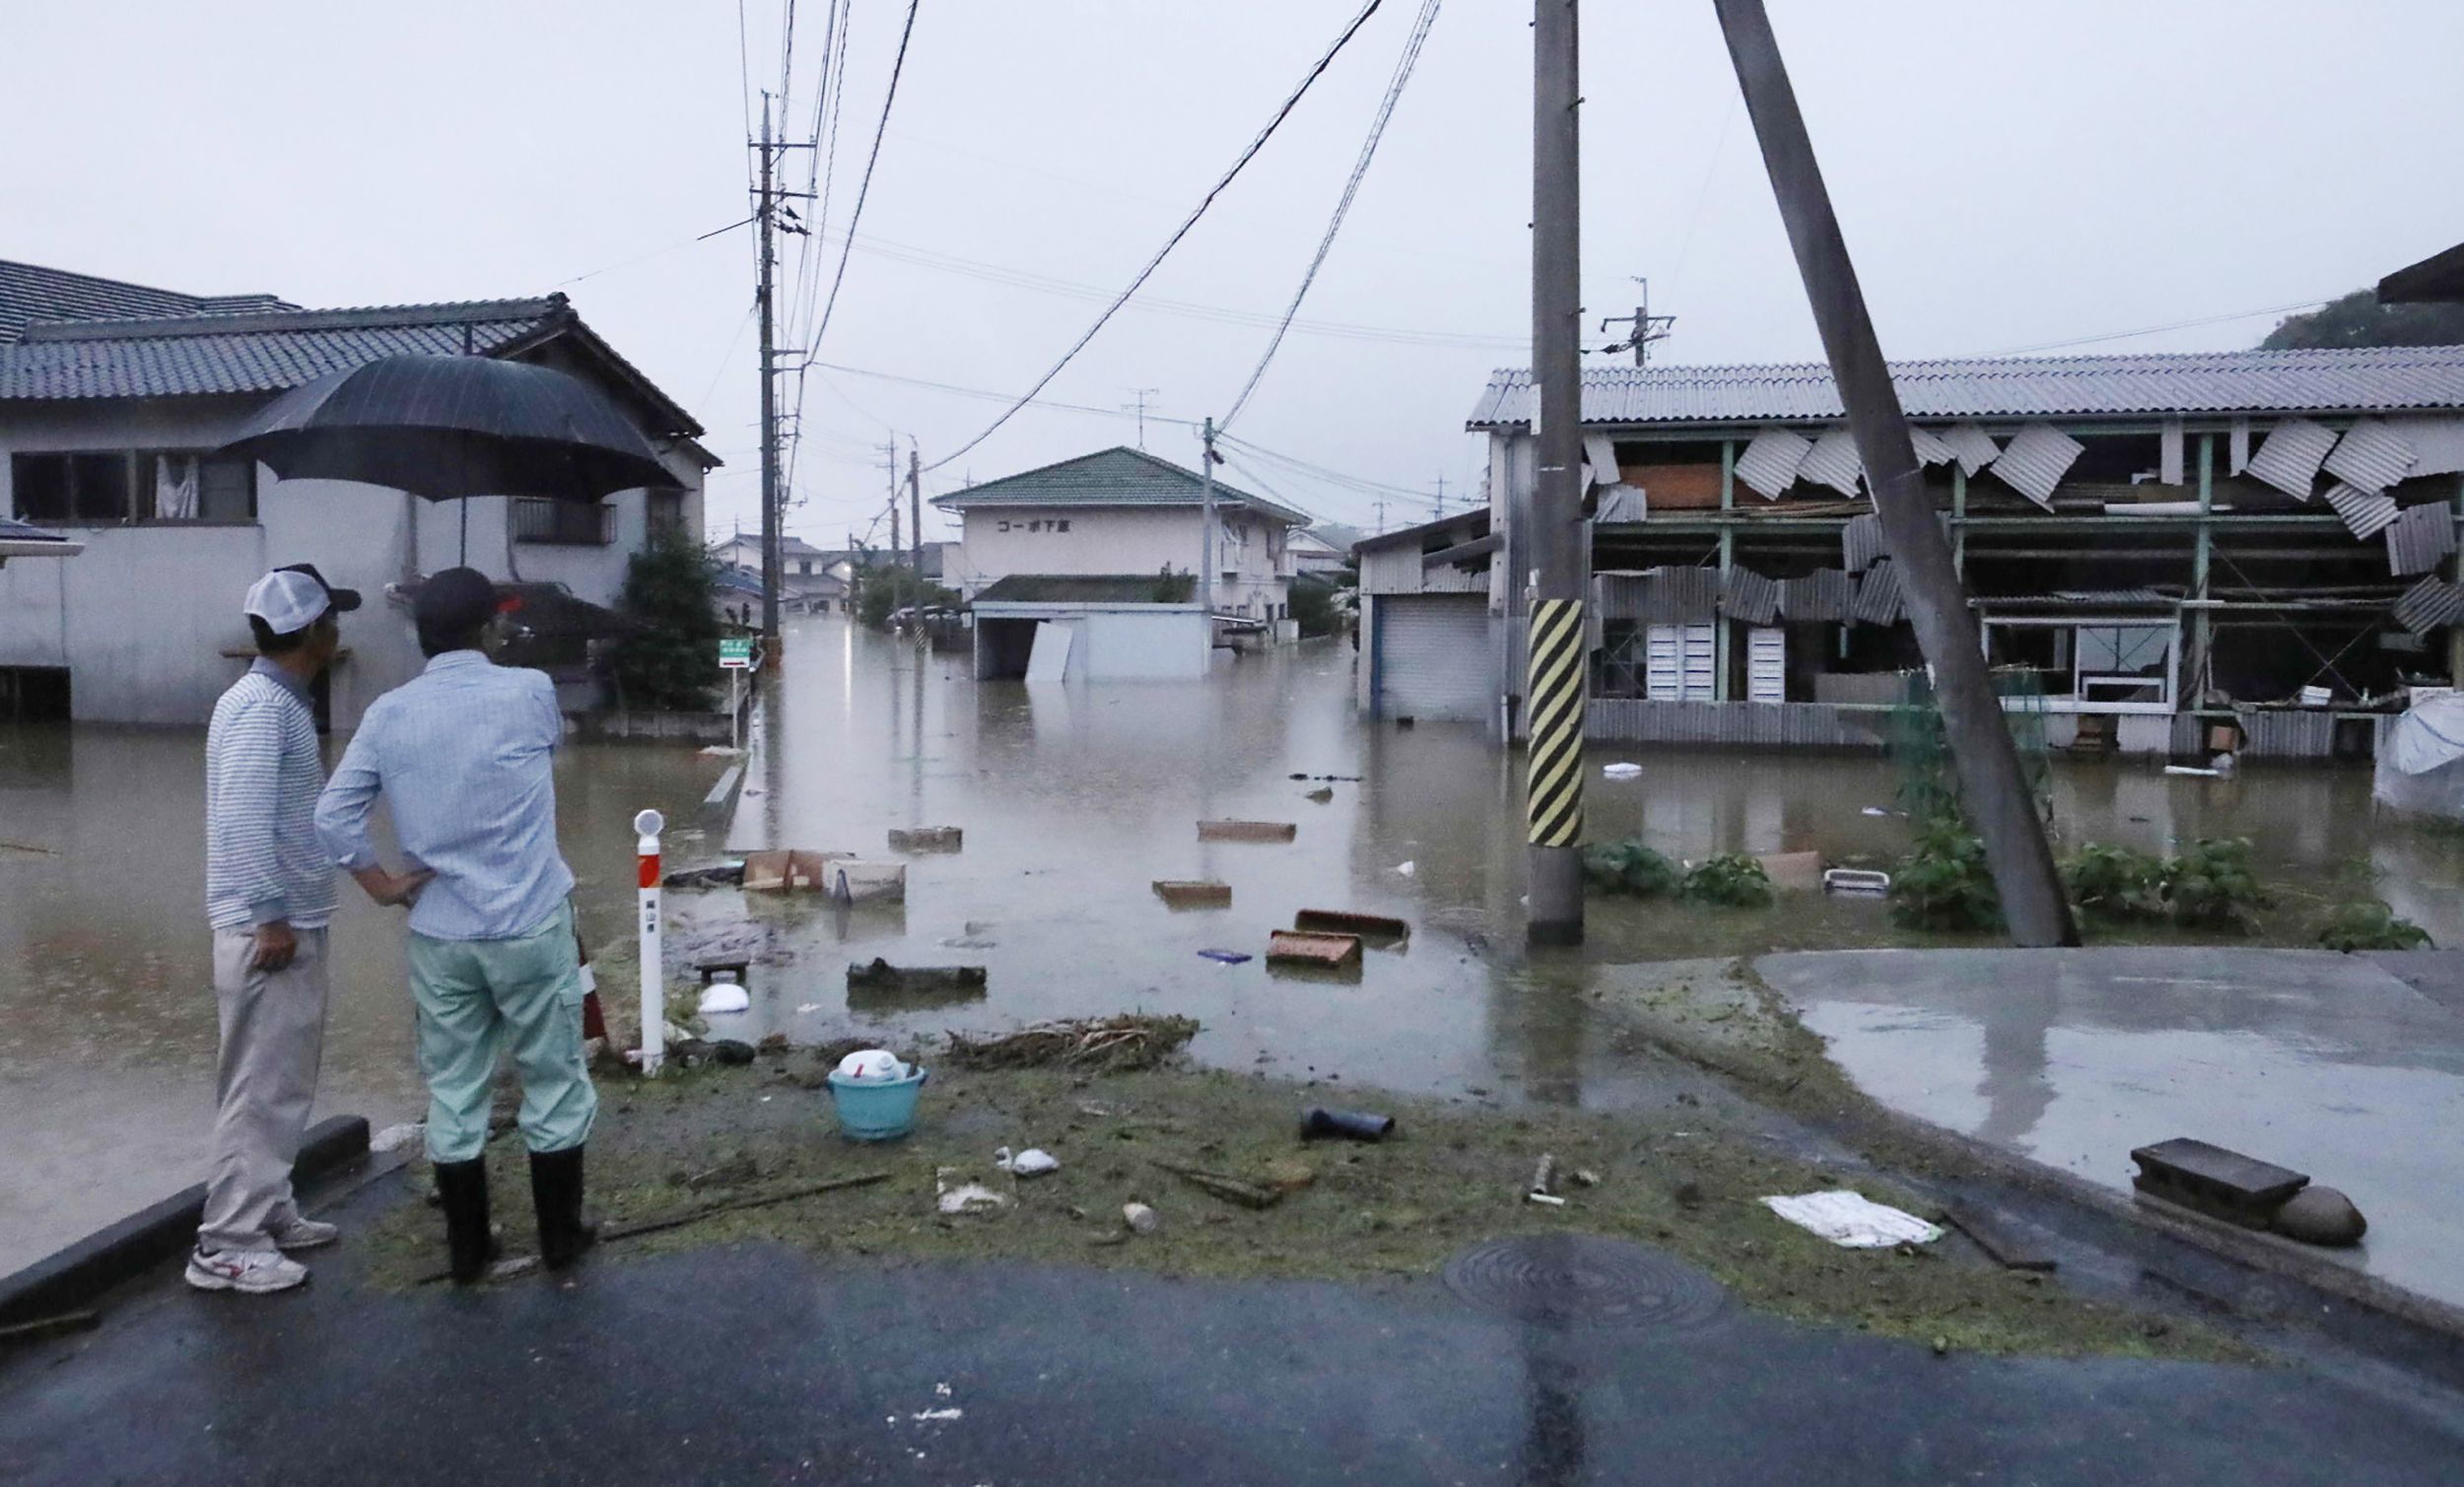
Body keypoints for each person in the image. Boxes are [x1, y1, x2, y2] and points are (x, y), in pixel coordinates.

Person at [314, 567, 598, 1283]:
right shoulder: (531, 691)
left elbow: (331, 817)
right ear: (490, 628)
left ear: (420, 633)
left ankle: (470, 1249)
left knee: (455, 1087)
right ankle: (561, 1236)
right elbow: (539, 749)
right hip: (529, 920)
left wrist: (380, 884)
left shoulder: (387, 713)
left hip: (440, 929)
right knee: (553, 1079)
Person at [190, 565, 419, 1294]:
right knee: (261, 1087)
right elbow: (244, 816)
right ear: (314, 630)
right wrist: (269, 915)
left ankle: (268, 1207)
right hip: (269, 926)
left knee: (277, 1080)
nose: (340, 630)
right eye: (334, 619)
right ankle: (226, 1241)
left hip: (285, 918)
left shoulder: (269, 700)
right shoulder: (262, 707)